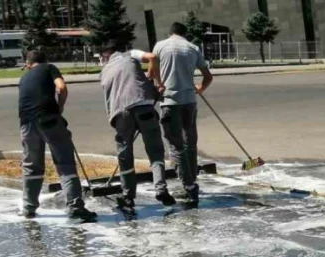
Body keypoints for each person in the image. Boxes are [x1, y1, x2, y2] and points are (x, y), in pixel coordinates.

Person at [17, 50, 98, 222]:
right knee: (65, 163)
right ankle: (76, 208)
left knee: (32, 166)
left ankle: (28, 208)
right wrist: (59, 109)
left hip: (26, 124)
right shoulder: (49, 68)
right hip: (48, 119)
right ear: (43, 60)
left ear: (28, 63)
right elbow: (61, 87)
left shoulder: (24, 78)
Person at [99, 42, 176, 210]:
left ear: (105, 56)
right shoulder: (130, 54)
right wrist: (154, 80)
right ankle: (161, 189)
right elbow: (152, 57)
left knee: (125, 156)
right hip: (144, 106)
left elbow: (108, 99)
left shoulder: (104, 71)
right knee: (156, 151)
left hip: (121, 113)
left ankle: (128, 197)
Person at [154, 22, 214, 206]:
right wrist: (200, 89)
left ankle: (189, 185)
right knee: (190, 142)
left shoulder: (160, 46)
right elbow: (208, 76)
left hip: (170, 101)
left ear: (170, 33)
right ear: (184, 34)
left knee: (175, 144)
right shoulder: (193, 48)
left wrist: (157, 84)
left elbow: (152, 71)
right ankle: (192, 179)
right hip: (189, 101)